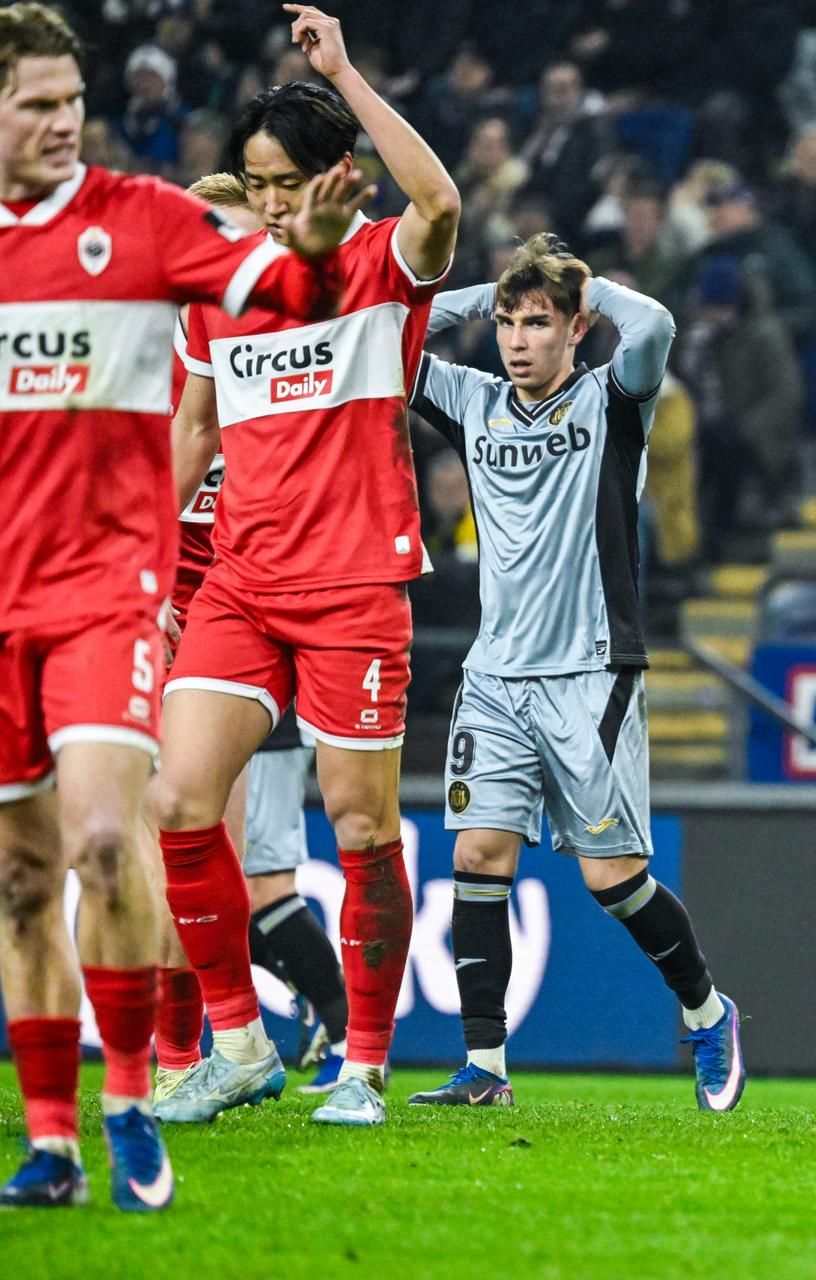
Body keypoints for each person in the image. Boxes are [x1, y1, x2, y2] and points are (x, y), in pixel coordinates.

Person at [0, 2, 357, 1210]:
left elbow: (288, 292)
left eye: (72, 101)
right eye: (36, 104)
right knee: (21, 879)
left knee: (111, 838)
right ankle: (53, 1141)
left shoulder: (144, 219)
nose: (64, 122)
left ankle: (128, 1100)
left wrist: (316, 253)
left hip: (106, 594)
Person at [154, 4, 459, 1130]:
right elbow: (193, 432)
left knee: (361, 828)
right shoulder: (222, 293)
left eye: (287, 183)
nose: (271, 203)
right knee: (180, 801)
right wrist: (146, 573)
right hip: (240, 583)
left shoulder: (382, 263)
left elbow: (442, 202)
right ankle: (239, 1043)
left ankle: (364, 1066)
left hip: (353, 587)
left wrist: (347, 76)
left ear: (335, 177)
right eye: (256, 183)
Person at [404, 235, 744, 1110]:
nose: (517, 341)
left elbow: (654, 324)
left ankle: (708, 1013)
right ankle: (486, 1068)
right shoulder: (474, 401)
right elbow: (386, 328)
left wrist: (586, 285)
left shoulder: (611, 401)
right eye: (508, 324)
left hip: (591, 673)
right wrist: (488, 293)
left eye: (538, 323)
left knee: (611, 879)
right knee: (477, 855)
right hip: (496, 674)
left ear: (576, 328)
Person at [152, 173, 349, 1105]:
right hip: (155, 623)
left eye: (240, 243)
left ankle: (210, 1053)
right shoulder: (156, 362)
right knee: (158, 847)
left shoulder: (282, 360)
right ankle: (193, 1054)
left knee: (226, 855)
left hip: (244, 626)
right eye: (211, 243)